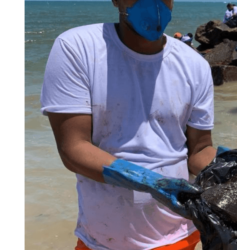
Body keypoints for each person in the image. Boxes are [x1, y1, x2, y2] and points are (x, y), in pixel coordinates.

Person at [40, 0, 217, 249]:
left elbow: (199, 152)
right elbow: (73, 149)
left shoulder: (194, 64)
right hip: (103, 238)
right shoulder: (78, 47)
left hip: (180, 233)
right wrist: (150, 183)